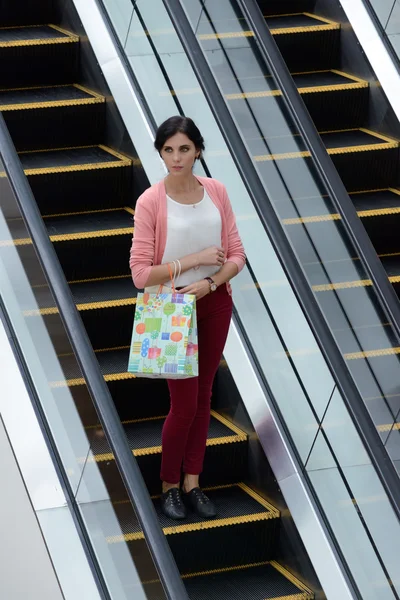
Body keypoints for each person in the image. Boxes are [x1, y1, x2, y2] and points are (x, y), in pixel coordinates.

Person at [129, 115, 245, 520]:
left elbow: (236, 256)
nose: (175, 157)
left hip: (213, 303)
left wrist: (210, 283)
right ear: (160, 153)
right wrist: (192, 262)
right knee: (184, 405)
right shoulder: (150, 201)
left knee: (204, 398)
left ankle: (193, 481)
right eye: (167, 150)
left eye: (183, 149)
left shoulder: (216, 191)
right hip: (171, 309)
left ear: (197, 150)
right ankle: (169, 486)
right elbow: (141, 275)